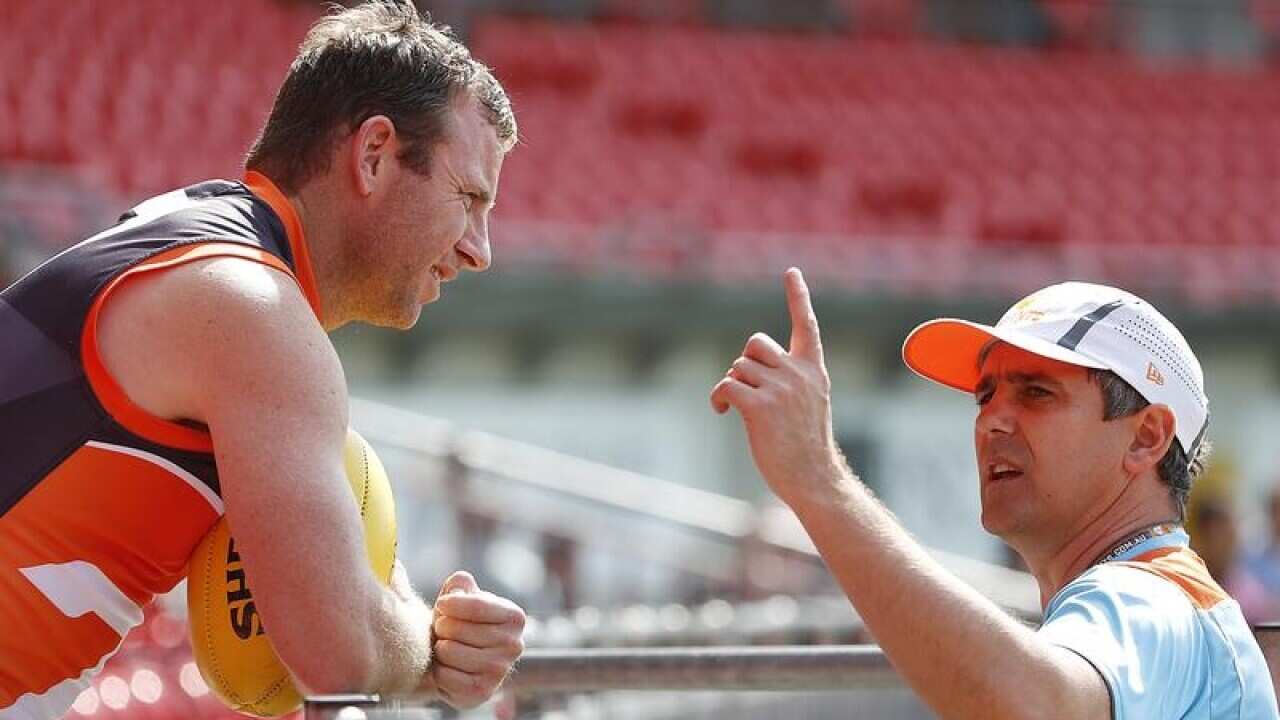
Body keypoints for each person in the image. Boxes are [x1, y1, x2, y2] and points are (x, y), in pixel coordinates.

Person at [0, 2, 525, 718]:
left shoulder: (185, 228)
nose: (479, 249)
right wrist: (427, 644)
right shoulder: (255, 310)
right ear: (373, 155)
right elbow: (338, 656)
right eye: (467, 198)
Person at [712, 271, 1279, 719]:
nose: (991, 422)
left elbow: (1034, 707)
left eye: (1036, 392)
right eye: (985, 396)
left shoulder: (1151, 600)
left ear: (1148, 436)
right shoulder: (1154, 596)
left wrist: (820, 480)